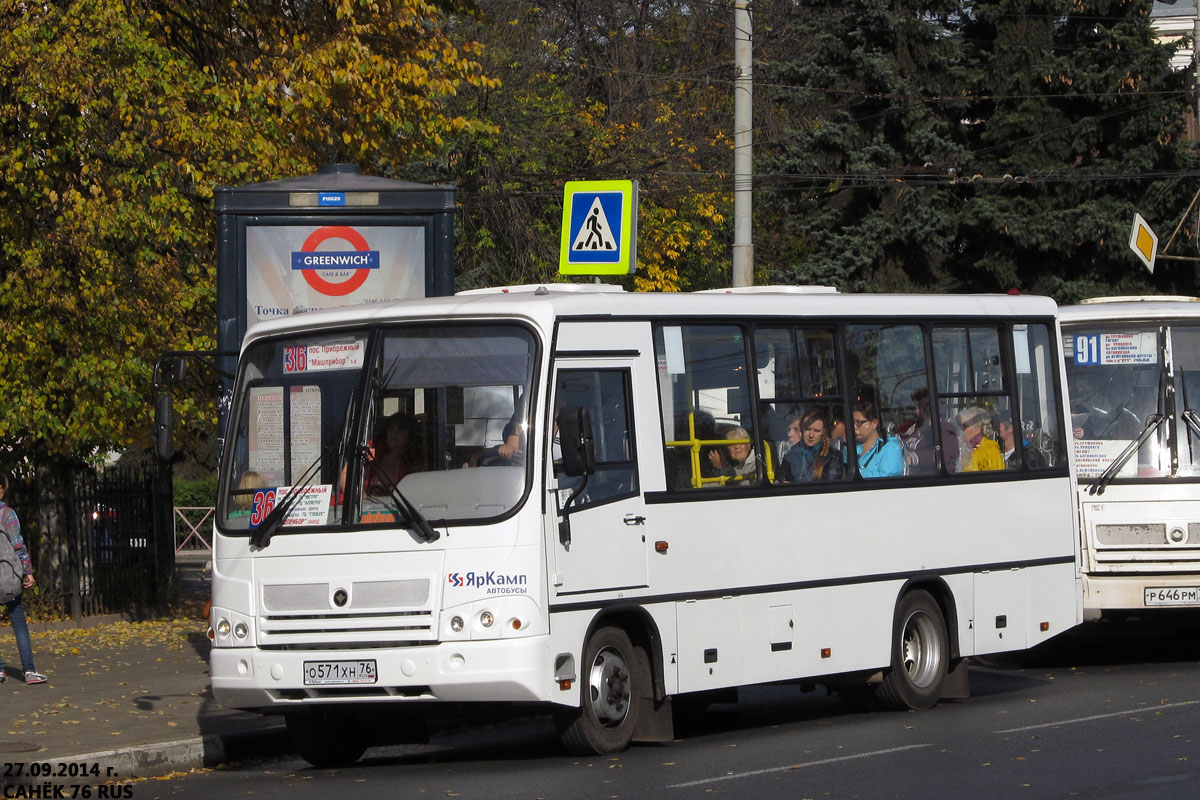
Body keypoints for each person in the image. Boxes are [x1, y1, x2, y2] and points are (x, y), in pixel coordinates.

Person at [0, 474, 47, 685]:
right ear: (1, 489)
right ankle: (29, 671)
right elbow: (18, 545)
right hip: (8, 578)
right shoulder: (7, 515)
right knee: (19, 623)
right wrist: (27, 571)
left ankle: (0, 670)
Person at [780, 408, 844, 483]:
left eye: (817, 431)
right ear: (801, 428)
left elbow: (830, 488)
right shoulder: (790, 455)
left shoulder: (834, 456)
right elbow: (781, 480)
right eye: (807, 429)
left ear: (823, 431)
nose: (811, 435)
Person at [364, 413, 417, 495]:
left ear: (409, 435)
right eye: (392, 428)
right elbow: (346, 475)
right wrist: (360, 494)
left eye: (400, 429)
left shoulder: (412, 467)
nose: (395, 433)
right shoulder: (373, 450)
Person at [853, 400, 904, 478]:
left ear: (874, 423)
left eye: (859, 423)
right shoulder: (852, 447)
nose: (854, 427)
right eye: (852, 423)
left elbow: (887, 481)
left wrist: (856, 473)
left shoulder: (890, 448)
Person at [956, 406, 1005, 472]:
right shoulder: (962, 448)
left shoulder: (990, 450)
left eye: (965, 426)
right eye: (958, 425)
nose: (960, 430)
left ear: (978, 429)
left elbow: (994, 479)